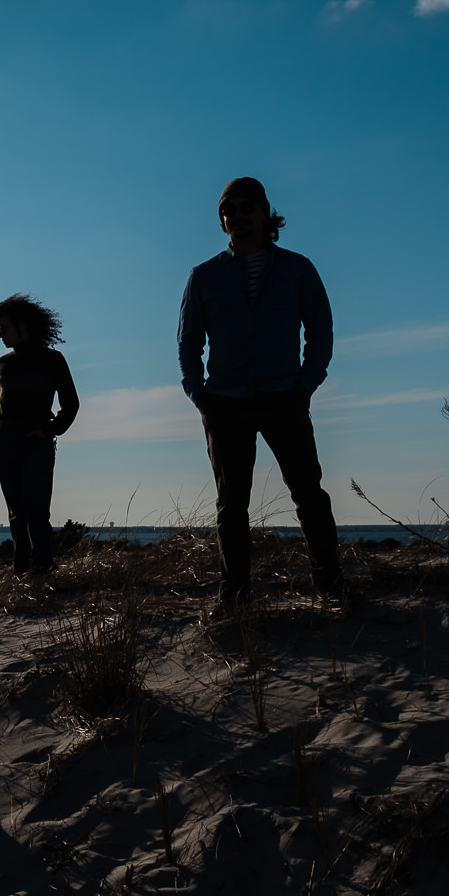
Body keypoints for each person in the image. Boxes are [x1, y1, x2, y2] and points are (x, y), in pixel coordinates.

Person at [177, 176, 344, 603]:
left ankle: (331, 587)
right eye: (228, 212)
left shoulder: (298, 268)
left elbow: (321, 330)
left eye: (246, 208)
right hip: (224, 403)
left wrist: (306, 384)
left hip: (284, 398)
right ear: (222, 222)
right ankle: (234, 597)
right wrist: (200, 396)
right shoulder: (204, 276)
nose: (237, 217)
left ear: (265, 213)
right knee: (231, 505)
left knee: (308, 494)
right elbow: (188, 342)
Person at [0, 294, 80, 576]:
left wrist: (50, 430)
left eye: (3, 327)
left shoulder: (52, 360)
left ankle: (42, 568)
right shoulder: (3, 363)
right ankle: (21, 570)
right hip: (4, 440)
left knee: (36, 508)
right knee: (16, 512)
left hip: (36, 442)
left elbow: (71, 404)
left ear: (22, 325)